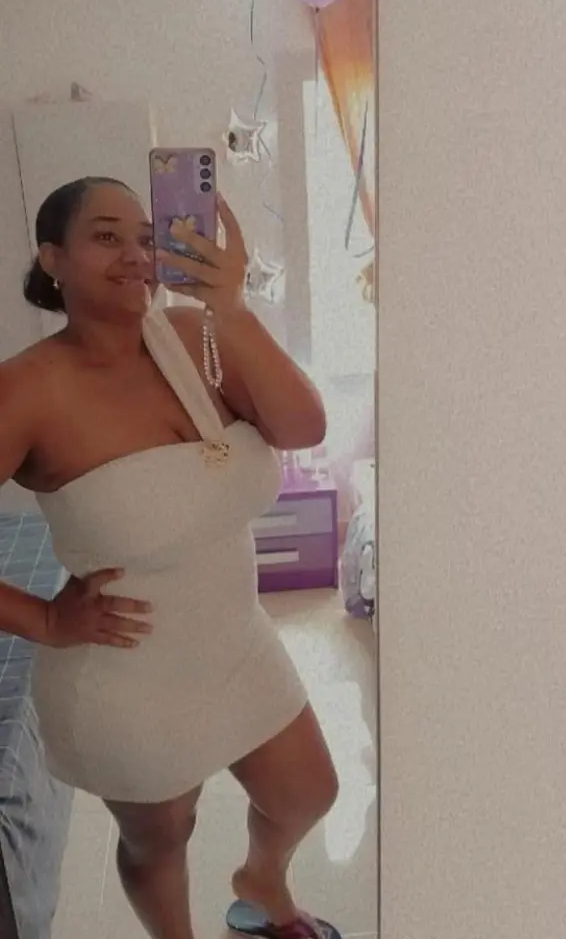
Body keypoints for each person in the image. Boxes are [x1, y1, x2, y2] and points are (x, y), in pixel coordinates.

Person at [0, 177, 342, 939]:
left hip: (238, 640)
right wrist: (44, 620)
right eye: (106, 236)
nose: (135, 254)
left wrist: (233, 308)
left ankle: (262, 879)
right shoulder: (26, 389)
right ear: (52, 258)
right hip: (128, 682)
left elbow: (303, 428)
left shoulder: (194, 335)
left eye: (146, 237)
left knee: (308, 793)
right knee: (162, 839)